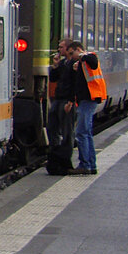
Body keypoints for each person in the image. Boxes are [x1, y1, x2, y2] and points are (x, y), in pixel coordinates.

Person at [67, 40, 105, 174]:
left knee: (81, 132)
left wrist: (82, 56)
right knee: (86, 133)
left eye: (72, 53)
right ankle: (91, 165)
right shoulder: (82, 63)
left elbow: (93, 62)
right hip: (85, 100)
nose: (72, 57)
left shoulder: (90, 56)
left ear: (79, 49)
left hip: (90, 99)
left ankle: (85, 165)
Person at [45, 38, 76, 174]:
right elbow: (53, 79)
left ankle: (65, 161)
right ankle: (55, 156)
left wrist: (71, 101)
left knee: (67, 131)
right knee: (52, 129)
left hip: (67, 102)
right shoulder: (63, 63)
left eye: (61, 47)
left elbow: (76, 84)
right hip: (58, 100)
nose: (59, 49)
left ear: (69, 49)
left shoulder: (75, 64)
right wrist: (55, 66)